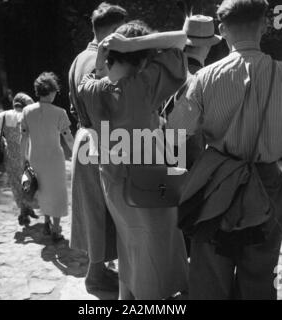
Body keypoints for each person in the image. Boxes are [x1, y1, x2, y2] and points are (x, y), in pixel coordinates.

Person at [79, 21, 189, 300]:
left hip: (114, 182)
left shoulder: (91, 89)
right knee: (155, 246)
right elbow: (180, 41)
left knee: (129, 243)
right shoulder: (143, 85)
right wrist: (133, 44)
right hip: (150, 182)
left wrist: (105, 57)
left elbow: (92, 76)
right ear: (143, 60)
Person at [180, 0, 282, 299]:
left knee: (210, 275)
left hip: (216, 183)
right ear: (264, 24)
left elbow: (175, 133)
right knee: (260, 273)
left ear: (222, 30)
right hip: (268, 184)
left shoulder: (204, 77)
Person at [69, 2, 127, 292]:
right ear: (112, 32)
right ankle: (95, 275)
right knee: (103, 209)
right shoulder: (100, 62)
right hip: (100, 139)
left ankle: (97, 272)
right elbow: (108, 106)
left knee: (93, 209)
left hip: (84, 135)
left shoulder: (80, 57)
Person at [165, 15, 222, 256]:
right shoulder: (200, 79)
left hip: (158, 162)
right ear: (207, 45)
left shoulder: (164, 72)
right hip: (188, 166)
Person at [20, 72, 74, 242]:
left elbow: (23, 137)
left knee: (41, 189)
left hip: (35, 157)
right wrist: (78, 155)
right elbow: (68, 137)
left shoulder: (27, 111)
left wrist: (23, 158)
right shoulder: (60, 112)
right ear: (51, 92)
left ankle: (46, 222)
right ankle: (56, 229)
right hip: (54, 159)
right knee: (57, 193)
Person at [0, 92, 38, 226]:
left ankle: (23, 211)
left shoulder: (4, 115)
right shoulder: (27, 116)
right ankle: (28, 207)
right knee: (29, 182)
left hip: (10, 156)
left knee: (15, 184)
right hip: (26, 154)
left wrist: (1, 138)